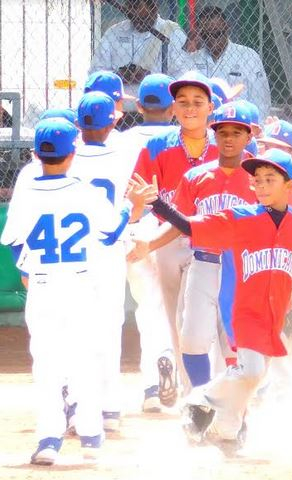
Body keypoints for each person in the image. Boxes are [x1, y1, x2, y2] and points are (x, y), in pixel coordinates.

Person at [130, 149, 292, 455]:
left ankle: (226, 431)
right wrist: (158, 203)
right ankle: (200, 399)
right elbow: (190, 226)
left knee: (254, 377)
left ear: (289, 186)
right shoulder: (240, 218)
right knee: (250, 371)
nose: (261, 185)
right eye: (257, 180)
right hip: (244, 312)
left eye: (269, 179)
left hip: (275, 316)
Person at [0, 118, 145, 465]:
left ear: (37, 155)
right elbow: (111, 234)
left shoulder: (26, 193)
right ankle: (90, 436)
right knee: (86, 359)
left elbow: (13, 242)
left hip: (43, 287)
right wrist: (131, 206)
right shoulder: (86, 193)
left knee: (47, 364)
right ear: (72, 154)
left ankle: (49, 440)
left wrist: (26, 270)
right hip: (81, 286)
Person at [129, 102, 258, 390]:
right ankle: (200, 400)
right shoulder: (195, 177)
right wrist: (150, 244)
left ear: (249, 136)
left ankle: (234, 405)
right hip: (204, 263)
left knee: (237, 344)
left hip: (242, 268)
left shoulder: (260, 176)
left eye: (237, 132)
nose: (228, 138)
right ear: (214, 134)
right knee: (191, 338)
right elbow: (181, 223)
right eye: (222, 132)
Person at [133, 71, 219, 403]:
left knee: (214, 316)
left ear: (211, 107)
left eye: (198, 102)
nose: (190, 108)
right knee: (176, 317)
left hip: (213, 240)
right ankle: (191, 392)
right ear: (173, 108)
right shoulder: (157, 146)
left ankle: (216, 389)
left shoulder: (224, 143)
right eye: (182, 102)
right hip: (168, 240)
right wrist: (140, 206)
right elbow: (138, 193)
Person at [72, 91, 137, 432]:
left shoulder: (68, 158)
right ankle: (109, 408)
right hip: (109, 250)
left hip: (73, 253)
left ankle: (76, 405)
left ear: (79, 124)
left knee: (75, 327)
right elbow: (134, 203)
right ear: (113, 123)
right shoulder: (123, 155)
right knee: (109, 327)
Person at [117, 72, 178, 411]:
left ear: (139, 107)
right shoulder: (180, 139)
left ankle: (152, 389)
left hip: (135, 228)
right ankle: (174, 364)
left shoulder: (121, 141)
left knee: (148, 307)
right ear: (173, 108)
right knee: (178, 306)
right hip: (170, 229)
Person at [89, 0, 193, 101]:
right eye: (134, 16)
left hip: (157, 105)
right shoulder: (114, 32)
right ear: (127, 8)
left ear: (154, 8)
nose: (139, 21)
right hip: (117, 104)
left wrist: (150, 77)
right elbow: (95, 73)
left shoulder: (172, 33)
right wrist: (118, 76)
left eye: (144, 18)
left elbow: (185, 76)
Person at [189, 6, 271, 118]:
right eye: (205, 35)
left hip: (239, 120)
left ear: (227, 28)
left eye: (217, 34)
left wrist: (256, 125)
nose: (212, 39)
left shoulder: (247, 56)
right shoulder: (194, 59)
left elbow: (261, 101)